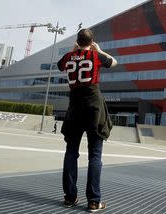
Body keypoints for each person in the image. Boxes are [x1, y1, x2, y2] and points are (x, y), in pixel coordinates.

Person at [57, 28, 117, 212]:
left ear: (76, 41)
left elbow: (60, 66)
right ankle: (93, 201)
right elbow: (114, 62)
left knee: (71, 152)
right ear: (92, 42)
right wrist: (97, 50)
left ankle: (69, 197)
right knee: (95, 155)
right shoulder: (95, 55)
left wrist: (75, 51)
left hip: (75, 108)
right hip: (94, 108)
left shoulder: (68, 57)